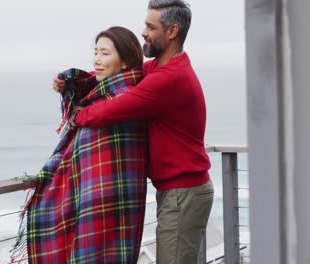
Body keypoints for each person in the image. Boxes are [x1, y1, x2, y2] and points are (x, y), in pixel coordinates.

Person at [54, 1, 214, 263]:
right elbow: (123, 75)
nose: (143, 32)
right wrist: (71, 82)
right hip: (179, 191)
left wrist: (76, 117)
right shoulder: (160, 69)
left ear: (172, 31)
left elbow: (113, 109)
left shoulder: (169, 78)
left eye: (151, 27)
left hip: (182, 193)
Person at [11, 26, 148, 264]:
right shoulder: (100, 97)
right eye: (95, 52)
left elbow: (94, 115)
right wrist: (68, 83)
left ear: (125, 61)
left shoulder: (128, 100)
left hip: (114, 202)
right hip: (92, 201)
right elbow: (85, 89)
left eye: (105, 54)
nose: (97, 60)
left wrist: (76, 111)